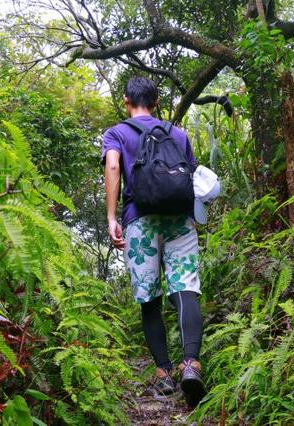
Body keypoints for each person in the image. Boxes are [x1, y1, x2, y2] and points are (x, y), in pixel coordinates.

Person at [101, 76, 206, 407]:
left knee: (150, 298)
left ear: (125, 100)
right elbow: (191, 177)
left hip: (139, 220)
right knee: (185, 288)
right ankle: (191, 364)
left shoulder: (116, 133)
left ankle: (163, 374)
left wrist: (112, 217)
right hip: (179, 218)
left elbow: (114, 165)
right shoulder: (177, 133)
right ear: (157, 102)